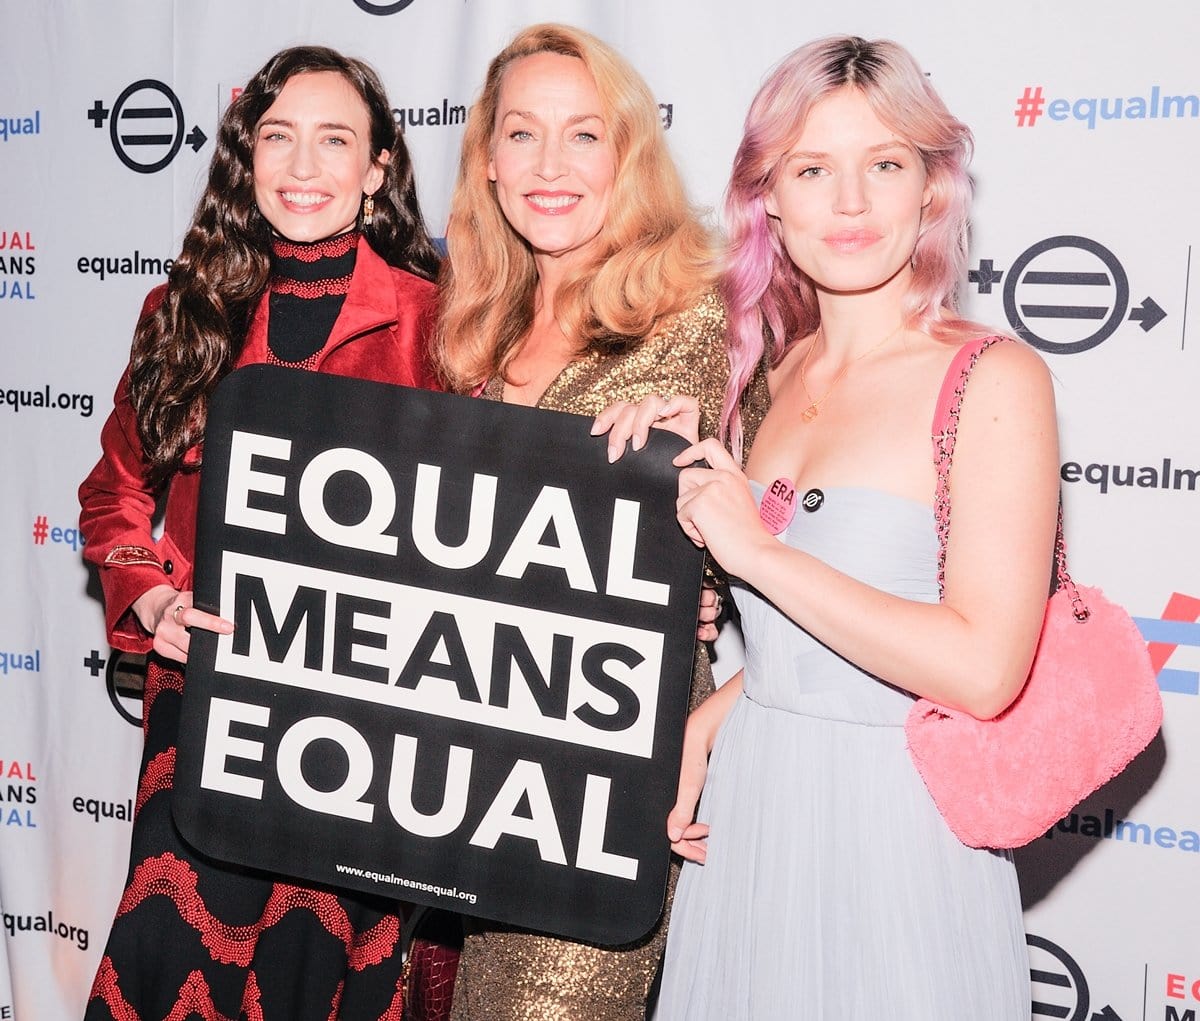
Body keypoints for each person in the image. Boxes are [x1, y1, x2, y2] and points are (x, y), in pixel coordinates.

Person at [607, 35, 1057, 1020]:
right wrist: (702, 722)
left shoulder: (993, 379)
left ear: (931, 189)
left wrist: (754, 547)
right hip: (754, 815)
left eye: (884, 165)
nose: (849, 203)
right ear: (770, 194)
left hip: (896, 832)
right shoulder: (773, 374)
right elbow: (796, 650)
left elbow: (983, 667)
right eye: (813, 169)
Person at [79, 45, 440, 1020]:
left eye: (335, 141)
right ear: (246, 160)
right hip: (205, 697)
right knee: (165, 942)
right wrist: (151, 594)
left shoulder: (437, 323)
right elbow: (114, 497)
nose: (304, 166)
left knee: (311, 968)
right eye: (279, 138)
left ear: (377, 170)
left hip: (363, 708)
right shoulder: (182, 312)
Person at [433, 23, 748, 1020]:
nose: (549, 166)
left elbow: (798, 512)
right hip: (459, 746)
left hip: (601, 766)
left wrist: (720, 616)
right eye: (522, 134)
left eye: (584, 135)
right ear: (488, 157)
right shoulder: (475, 320)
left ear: (628, 151)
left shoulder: (692, 311)